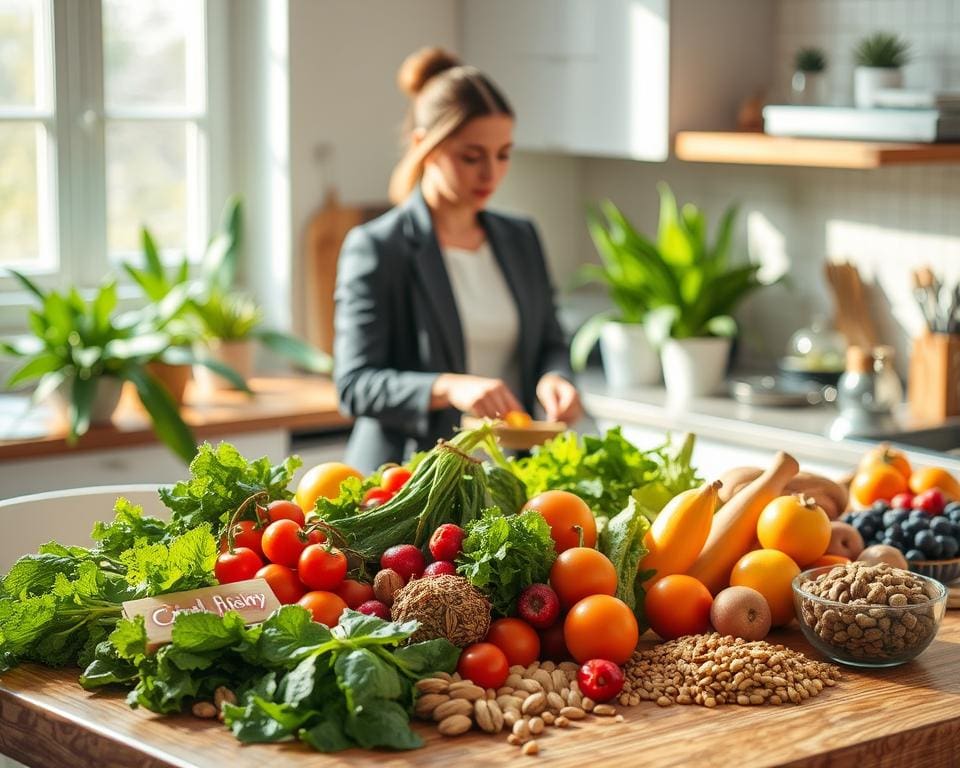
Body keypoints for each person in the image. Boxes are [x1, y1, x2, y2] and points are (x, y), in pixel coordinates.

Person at [333, 47, 582, 473]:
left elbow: (550, 342)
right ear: (423, 147)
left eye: (503, 154)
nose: (491, 174)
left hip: (508, 479)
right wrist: (448, 386)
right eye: (471, 157)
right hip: (406, 484)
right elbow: (355, 386)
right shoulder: (378, 247)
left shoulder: (521, 237)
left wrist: (555, 377)